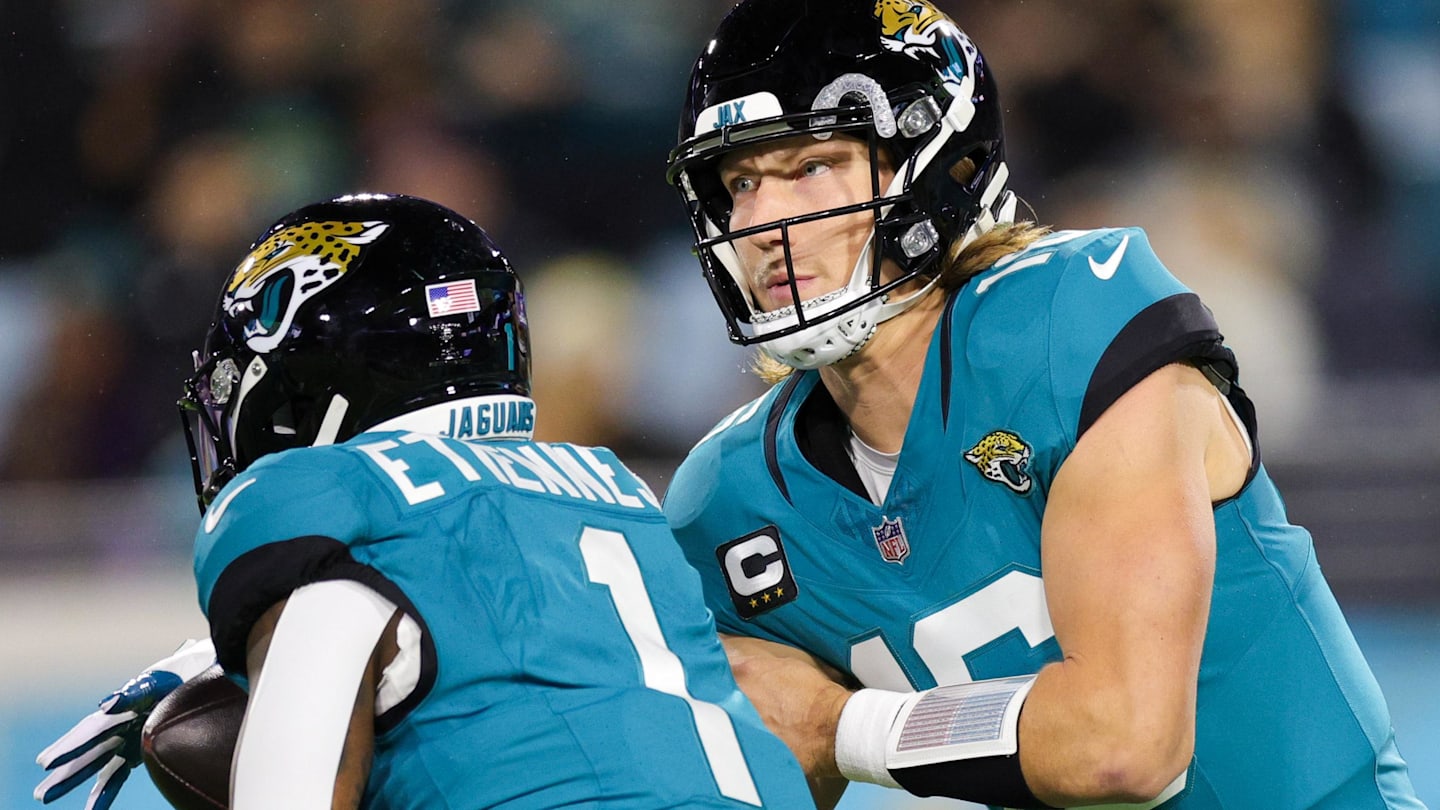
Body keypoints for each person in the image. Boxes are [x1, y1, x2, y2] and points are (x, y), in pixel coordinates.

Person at [662, 1, 1424, 809]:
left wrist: (844, 724)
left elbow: (1128, 747)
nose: (758, 220)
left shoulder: (1071, 323)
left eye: (812, 167)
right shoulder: (733, 498)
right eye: (740, 182)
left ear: (935, 163)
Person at [36, 193, 814, 810]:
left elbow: (347, 590)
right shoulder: (614, 497)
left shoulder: (311, 511)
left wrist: (238, 646)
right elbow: (465, 582)